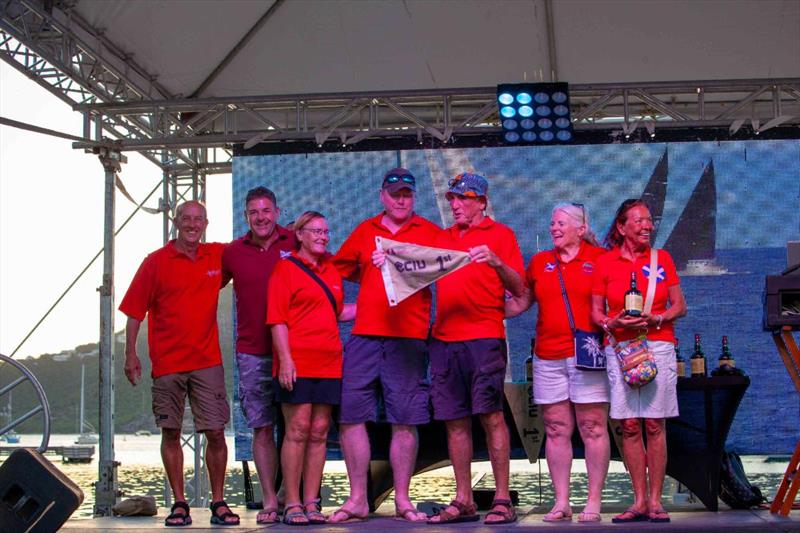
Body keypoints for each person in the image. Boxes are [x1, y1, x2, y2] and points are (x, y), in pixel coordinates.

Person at [329, 168, 441, 523]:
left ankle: (404, 500)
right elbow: (336, 271)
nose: (401, 199)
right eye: (395, 193)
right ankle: (358, 498)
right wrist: (352, 296)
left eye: (407, 193)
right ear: (382, 196)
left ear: (414, 197)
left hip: (409, 338)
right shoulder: (365, 230)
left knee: (405, 420)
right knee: (350, 415)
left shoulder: (429, 233)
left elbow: (452, 268)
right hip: (364, 335)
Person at [119, 200, 239, 527]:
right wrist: (131, 354)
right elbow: (134, 312)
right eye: (186, 218)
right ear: (176, 222)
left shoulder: (216, 255)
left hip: (207, 361)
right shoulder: (155, 262)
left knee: (215, 431)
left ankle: (218, 501)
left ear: (206, 224)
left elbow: (253, 246)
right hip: (168, 363)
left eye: (198, 219)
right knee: (170, 432)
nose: (192, 224)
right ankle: (180, 503)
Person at [427, 172, 525, 525]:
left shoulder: (502, 235)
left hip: (484, 337)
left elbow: (520, 287)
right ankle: (464, 498)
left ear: (482, 202)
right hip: (444, 339)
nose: (455, 204)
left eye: (463, 198)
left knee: (491, 414)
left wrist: (497, 262)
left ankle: (501, 498)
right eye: (452, 198)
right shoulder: (442, 238)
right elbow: (410, 272)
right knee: (454, 420)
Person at [506, 203, 610, 523]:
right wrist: (484, 308)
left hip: (587, 354)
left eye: (560, 223)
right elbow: (522, 301)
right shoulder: (539, 262)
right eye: (551, 222)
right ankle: (561, 502)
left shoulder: (600, 259)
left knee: (592, 427)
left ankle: (593, 501)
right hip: (547, 356)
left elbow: (616, 301)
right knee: (555, 429)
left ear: (580, 229)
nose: (553, 228)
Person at [590, 199, 687, 524]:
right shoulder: (605, 263)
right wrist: (613, 323)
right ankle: (640, 500)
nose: (647, 226)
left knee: (654, 423)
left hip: (657, 345)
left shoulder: (663, 259)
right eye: (640, 221)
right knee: (629, 425)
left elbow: (679, 306)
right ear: (622, 227)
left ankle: (657, 501)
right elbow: (596, 312)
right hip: (620, 348)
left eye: (649, 221)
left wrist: (655, 319)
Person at [266, 211, 356, 525]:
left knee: (319, 433)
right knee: (298, 430)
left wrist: (376, 304)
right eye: (315, 231)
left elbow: (338, 311)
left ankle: (311, 501)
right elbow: (277, 319)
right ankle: (290, 502)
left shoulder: (331, 269)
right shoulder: (285, 269)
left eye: (326, 231)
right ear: (300, 234)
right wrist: (286, 360)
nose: (322, 236)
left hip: (330, 361)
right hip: (298, 361)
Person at [221, 186, 296, 524]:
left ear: (277, 213)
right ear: (246, 216)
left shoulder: (294, 242)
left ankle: (291, 499)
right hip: (252, 353)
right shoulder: (232, 252)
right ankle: (269, 501)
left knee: (298, 428)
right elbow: (200, 284)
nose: (261, 217)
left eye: (266, 211)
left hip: (295, 350)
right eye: (254, 212)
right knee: (262, 429)